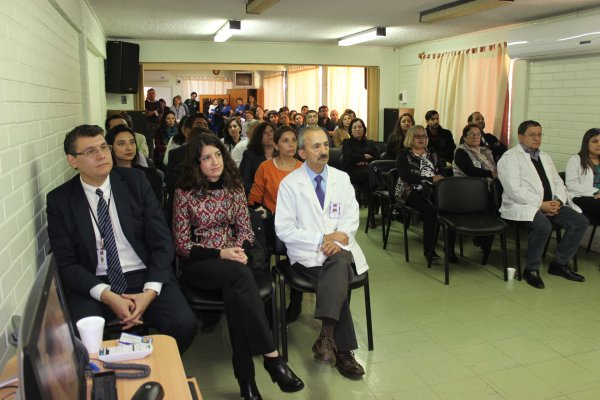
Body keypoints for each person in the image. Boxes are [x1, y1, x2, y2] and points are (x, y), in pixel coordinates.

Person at [172, 133, 304, 399]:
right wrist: (221, 253)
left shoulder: (233, 188)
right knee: (241, 276)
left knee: (237, 297)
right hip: (201, 264)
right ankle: (272, 357)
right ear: (196, 164)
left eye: (218, 155)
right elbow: (183, 245)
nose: (215, 162)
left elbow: (245, 230)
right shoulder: (184, 193)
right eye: (206, 158)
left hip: (233, 263)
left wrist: (240, 250)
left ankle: (247, 383)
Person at [46, 125, 196, 354]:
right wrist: (108, 296)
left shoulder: (136, 181)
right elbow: (66, 263)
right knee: (79, 340)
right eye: (90, 151)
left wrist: (149, 292)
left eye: (103, 147)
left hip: (142, 272)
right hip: (94, 280)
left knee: (184, 324)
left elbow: (162, 242)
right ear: (72, 160)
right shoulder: (60, 200)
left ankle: (153, 365)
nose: (101, 155)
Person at [275, 126, 367, 380]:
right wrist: (321, 239)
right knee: (337, 277)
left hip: (340, 249)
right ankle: (344, 351)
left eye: (326, 145)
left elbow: (351, 216)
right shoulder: (289, 184)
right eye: (316, 146)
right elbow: (284, 229)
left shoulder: (341, 178)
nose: (323, 150)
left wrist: (340, 238)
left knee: (338, 263)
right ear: (302, 153)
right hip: (307, 255)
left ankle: (326, 337)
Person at [498, 120, 587, 289]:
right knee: (543, 226)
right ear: (521, 137)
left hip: (550, 204)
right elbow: (513, 189)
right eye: (532, 134)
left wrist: (558, 201)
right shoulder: (510, 157)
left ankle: (559, 264)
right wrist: (540, 205)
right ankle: (531, 269)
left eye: (539, 134)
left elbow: (558, 182)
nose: (537, 138)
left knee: (580, 222)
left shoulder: (545, 157)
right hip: (521, 206)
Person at [395, 125, 456, 262]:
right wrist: (429, 179)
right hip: (409, 190)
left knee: (450, 209)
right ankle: (429, 250)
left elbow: (442, 170)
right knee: (431, 211)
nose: (421, 139)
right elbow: (406, 176)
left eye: (424, 136)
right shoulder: (404, 155)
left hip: (433, 189)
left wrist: (440, 177)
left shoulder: (432, 153)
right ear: (410, 138)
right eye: (417, 136)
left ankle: (449, 247)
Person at [105, 125, 163, 204]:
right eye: (122, 144)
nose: (129, 148)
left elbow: (156, 207)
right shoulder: (106, 177)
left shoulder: (149, 174)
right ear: (110, 147)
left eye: (132, 142)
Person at [342, 118, 380, 226]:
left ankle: (371, 215)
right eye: (354, 127)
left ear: (364, 129)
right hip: (353, 171)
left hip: (367, 172)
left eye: (360, 127)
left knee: (369, 184)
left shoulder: (370, 143)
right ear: (351, 130)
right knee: (372, 178)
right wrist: (364, 156)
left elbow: (376, 157)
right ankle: (372, 214)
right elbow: (349, 158)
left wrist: (358, 157)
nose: (357, 129)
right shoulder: (347, 142)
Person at [566, 128, 600, 220]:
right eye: (595, 141)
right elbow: (571, 185)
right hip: (583, 196)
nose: (599, 144)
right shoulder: (575, 160)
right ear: (586, 143)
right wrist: (597, 191)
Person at [240, 122, 275, 195]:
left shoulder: (282, 154)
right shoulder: (250, 155)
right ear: (258, 137)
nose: (269, 134)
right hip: (258, 197)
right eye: (264, 133)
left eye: (271, 131)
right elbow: (245, 182)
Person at [145, 88, 163, 156]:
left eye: (153, 93)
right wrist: (155, 111)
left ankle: (158, 158)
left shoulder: (158, 103)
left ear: (155, 94)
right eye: (150, 93)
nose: (151, 95)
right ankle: (151, 158)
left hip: (158, 125)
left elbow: (161, 111)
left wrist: (153, 112)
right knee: (150, 144)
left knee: (158, 142)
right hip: (148, 126)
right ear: (147, 94)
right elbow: (146, 113)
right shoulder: (144, 103)